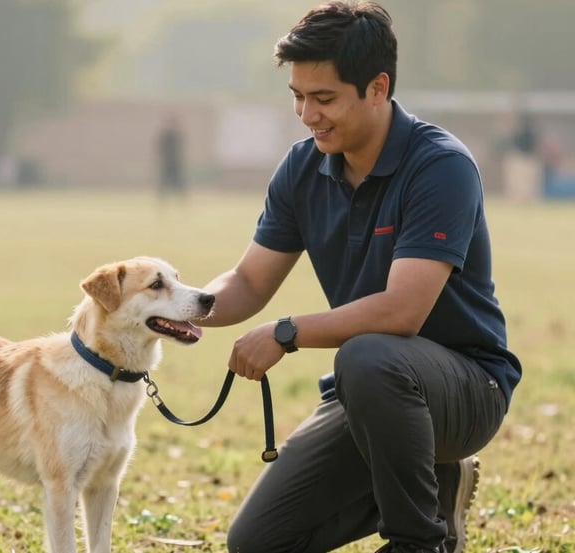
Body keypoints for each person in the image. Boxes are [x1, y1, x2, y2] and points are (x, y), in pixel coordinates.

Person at [196, 2, 522, 553]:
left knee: (367, 354)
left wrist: (285, 332)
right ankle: (437, 483)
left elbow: (401, 313)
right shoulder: (302, 168)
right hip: (369, 395)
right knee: (255, 542)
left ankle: (419, 541)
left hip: (467, 388)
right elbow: (250, 283)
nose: (307, 114)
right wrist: (171, 306)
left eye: (324, 99)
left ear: (377, 87)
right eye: (298, 97)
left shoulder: (441, 166)